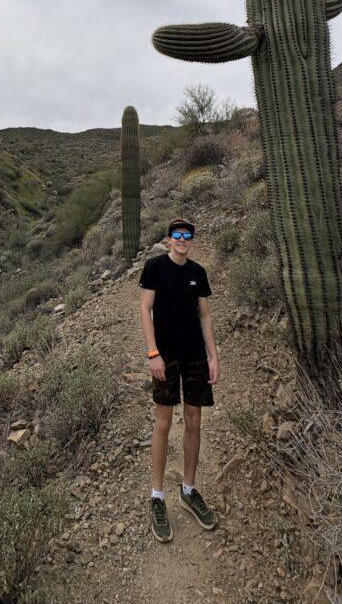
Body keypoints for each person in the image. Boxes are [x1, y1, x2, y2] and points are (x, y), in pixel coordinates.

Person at [138, 218, 220, 542]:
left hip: (195, 356)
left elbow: (205, 316)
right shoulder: (154, 267)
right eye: (177, 235)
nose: (182, 239)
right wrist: (152, 353)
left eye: (187, 236)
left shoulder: (198, 273)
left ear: (191, 241)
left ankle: (188, 490)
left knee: (194, 420)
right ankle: (157, 496)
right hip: (166, 356)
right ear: (169, 239)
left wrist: (213, 356)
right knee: (163, 422)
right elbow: (145, 310)